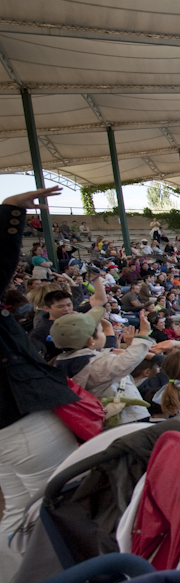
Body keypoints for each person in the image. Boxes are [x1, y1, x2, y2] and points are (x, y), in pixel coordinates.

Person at [0, 187, 80, 537]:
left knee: (17, 513)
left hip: (8, 431)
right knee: (66, 498)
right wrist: (10, 212)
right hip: (21, 421)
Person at [52, 308, 155, 425]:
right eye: (102, 332)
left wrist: (108, 329)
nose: (104, 334)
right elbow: (127, 361)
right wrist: (143, 335)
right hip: (125, 419)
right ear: (91, 341)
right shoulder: (94, 365)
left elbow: (102, 355)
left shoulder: (65, 361)